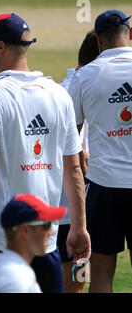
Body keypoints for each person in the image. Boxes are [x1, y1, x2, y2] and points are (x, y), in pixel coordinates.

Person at [0, 13, 91, 293]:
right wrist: (79, 227)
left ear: (2, 47)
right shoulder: (58, 94)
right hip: (46, 240)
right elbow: (74, 168)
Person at [69, 9, 132, 293]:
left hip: (105, 186)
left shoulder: (84, 76)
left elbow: (71, 135)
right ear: (129, 34)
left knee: (102, 270)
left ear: (98, 40)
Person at [57, 30, 99, 293]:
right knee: (75, 284)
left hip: (52, 210)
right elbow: (81, 159)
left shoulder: (59, 90)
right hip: (74, 214)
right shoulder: (85, 92)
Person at [0, 194, 67, 293]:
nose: (52, 231)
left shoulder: (10, 270)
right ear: (25, 230)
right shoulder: (14, 279)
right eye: (46, 225)